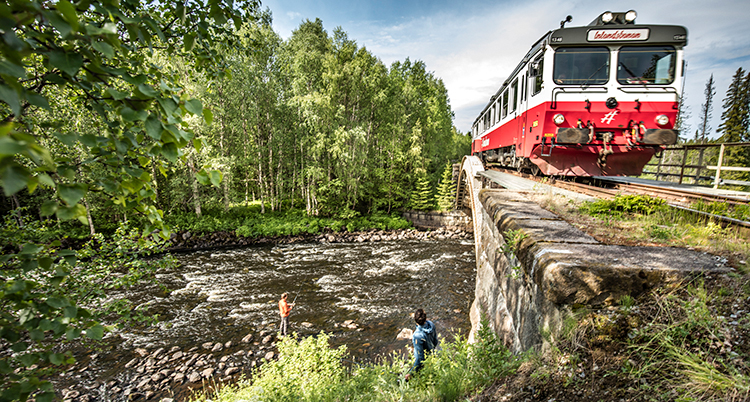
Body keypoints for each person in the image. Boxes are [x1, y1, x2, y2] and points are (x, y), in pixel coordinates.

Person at [405, 308, 437, 381]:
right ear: (425, 318)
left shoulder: (417, 336)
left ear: (416, 321)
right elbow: (435, 341)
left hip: (423, 364)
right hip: (432, 355)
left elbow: (420, 358)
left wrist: (411, 373)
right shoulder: (431, 325)